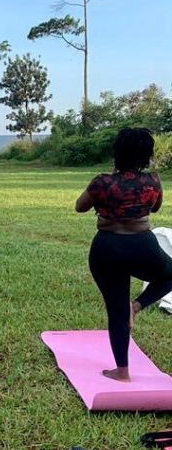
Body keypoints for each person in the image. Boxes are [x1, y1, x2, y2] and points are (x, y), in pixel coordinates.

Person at [76, 126, 172, 381]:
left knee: (116, 310)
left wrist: (102, 198)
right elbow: (156, 206)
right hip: (143, 246)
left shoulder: (102, 182)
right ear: (147, 155)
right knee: (169, 274)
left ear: (116, 152)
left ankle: (122, 371)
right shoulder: (153, 181)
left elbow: (79, 207)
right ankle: (138, 305)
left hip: (107, 248)